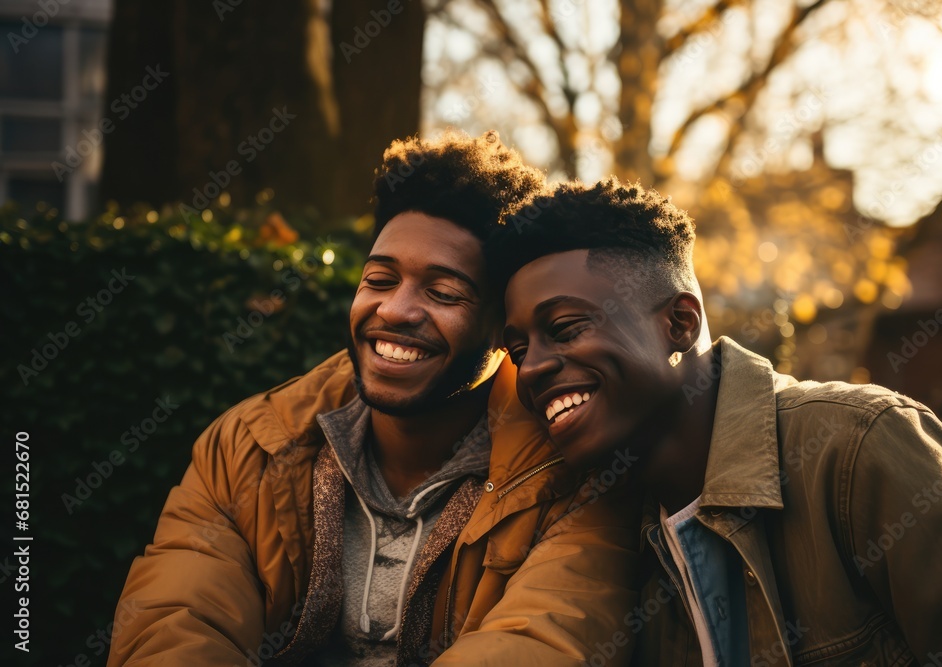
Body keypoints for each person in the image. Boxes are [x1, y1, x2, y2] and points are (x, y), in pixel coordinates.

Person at [108, 134, 640, 666]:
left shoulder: (569, 477)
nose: (395, 310)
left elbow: (543, 644)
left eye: (443, 293)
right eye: (380, 280)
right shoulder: (249, 447)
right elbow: (175, 623)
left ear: (504, 328)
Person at [488, 177, 942, 666]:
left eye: (565, 328)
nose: (530, 367)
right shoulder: (615, 535)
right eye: (518, 349)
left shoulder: (857, 446)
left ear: (680, 324)